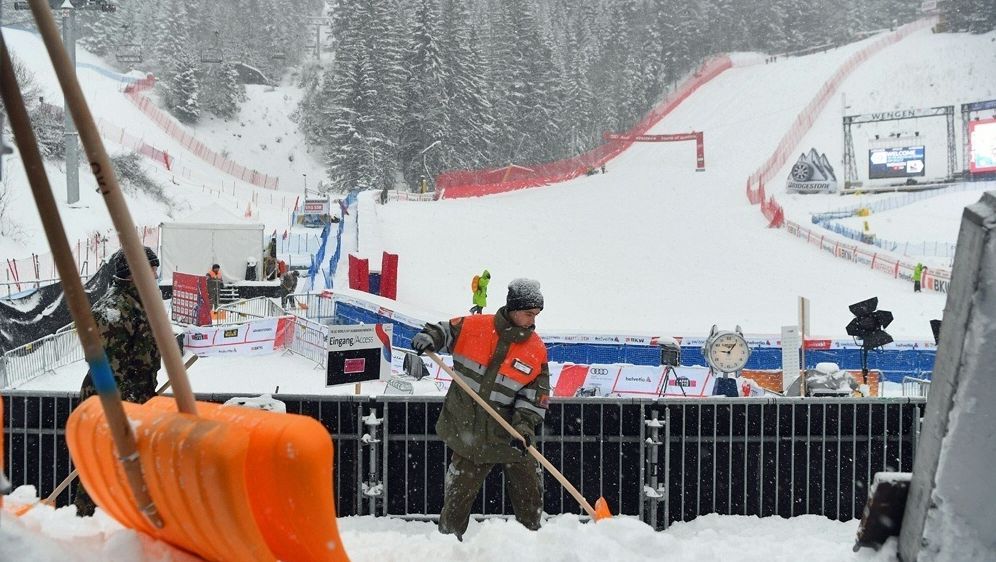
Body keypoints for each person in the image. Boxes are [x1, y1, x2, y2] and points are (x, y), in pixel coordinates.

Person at [411, 278, 551, 540]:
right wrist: (429, 337)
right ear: (512, 308)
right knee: (457, 499)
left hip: (509, 435)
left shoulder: (536, 350)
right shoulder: (475, 327)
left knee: (530, 492)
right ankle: (447, 548)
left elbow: (535, 397)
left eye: (536, 315)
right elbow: (445, 331)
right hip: (468, 432)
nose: (533, 321)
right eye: (528, 314)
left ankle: (534, 545)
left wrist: (523, 427)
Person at [75, 247, 162, 516]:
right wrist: (129, 406)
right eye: (150, 271)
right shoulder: (113, 311)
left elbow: (141, 352)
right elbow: (107, 368)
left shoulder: (138, 304)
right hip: (111, 409)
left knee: (126, 474)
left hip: (134, 405)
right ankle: (85, 528)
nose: (155, 276)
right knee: (102, 472)